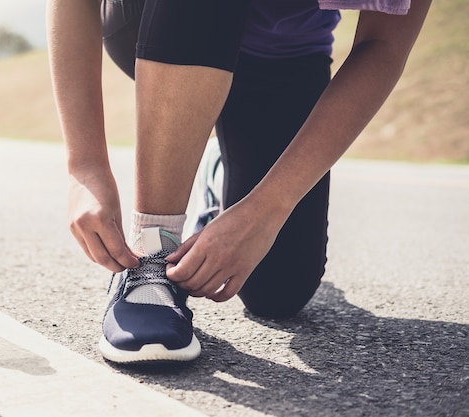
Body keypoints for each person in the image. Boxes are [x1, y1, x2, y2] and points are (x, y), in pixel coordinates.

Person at [46, 0, 431, 363]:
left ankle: (217, 169)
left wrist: (267, 208)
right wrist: (85, 168)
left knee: (279, 293)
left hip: (280, 58)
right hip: (160, 21)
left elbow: (383, 43)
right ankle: (153, 250)